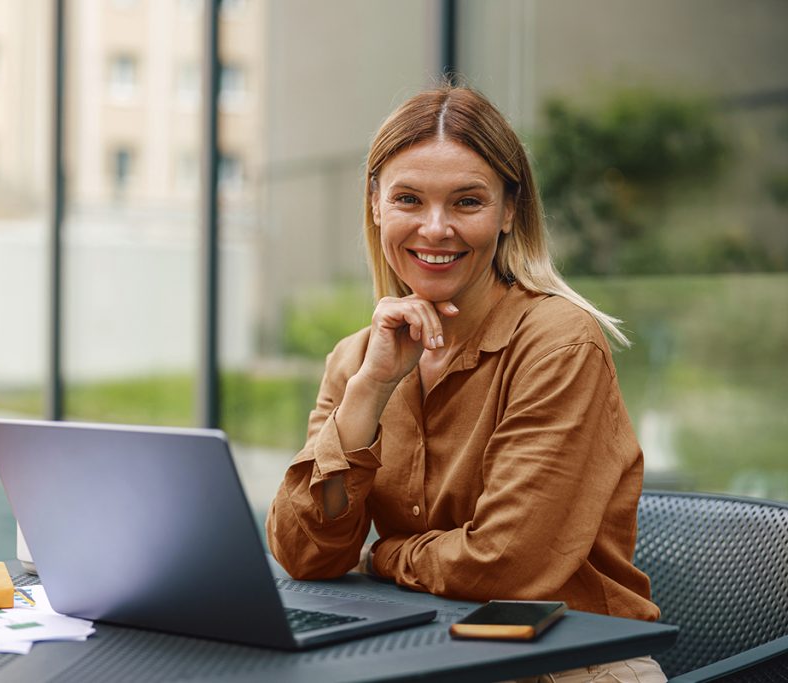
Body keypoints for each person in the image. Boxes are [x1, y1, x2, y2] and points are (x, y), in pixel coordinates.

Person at [265, 82, 667, 683]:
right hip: (422, 656)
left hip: (567, 665)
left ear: (509, 211)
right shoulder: (357, 359)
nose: (435, 228)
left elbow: (505, 565)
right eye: (408, 199)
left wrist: (386, 554)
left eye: (466, 202)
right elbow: (303, 554)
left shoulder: (558, 341)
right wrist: (371, 389)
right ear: (375, 205)